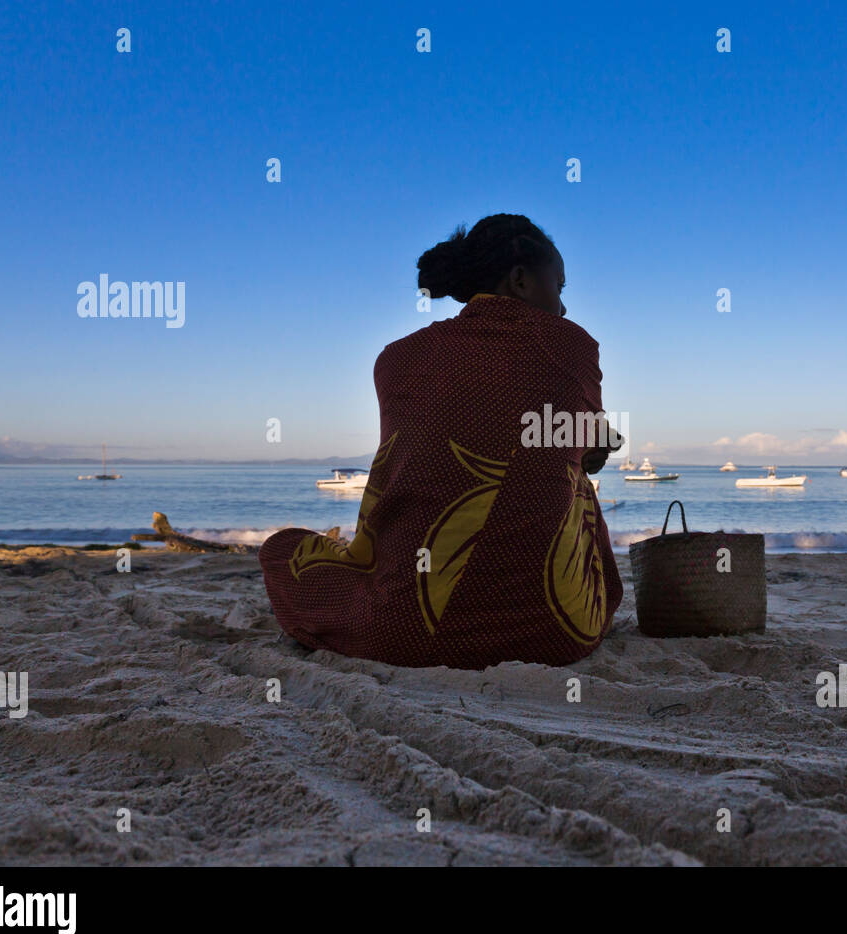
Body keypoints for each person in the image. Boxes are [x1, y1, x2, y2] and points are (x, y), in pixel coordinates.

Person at [259, 214, 623, 669]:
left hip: (398, 631)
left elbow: (428, 454)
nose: (564, 308)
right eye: (560, 287)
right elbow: (585, 458)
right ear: (521, 280)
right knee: (573, 484)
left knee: (282, 549)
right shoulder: (570, 347)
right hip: (556, 629)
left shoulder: (394, 360)